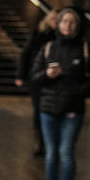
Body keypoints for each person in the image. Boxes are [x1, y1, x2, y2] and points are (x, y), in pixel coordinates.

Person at [30, 7, 90, 180]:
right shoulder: (48, 48)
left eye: (72, 22)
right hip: (48, 108)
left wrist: (80, 90)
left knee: (65, 152)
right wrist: (47, 75)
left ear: (77, 26)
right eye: (64, 21)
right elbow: (34, 77)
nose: (68, 25)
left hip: (72, 109)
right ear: (58, 24)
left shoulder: (87, 49)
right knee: (51, 153)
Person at [17, 10, 58, 156]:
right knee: (38, 109)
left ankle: (50, 140)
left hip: (56, 79)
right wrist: (21, 75)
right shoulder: (39, 34)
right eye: (54, 19)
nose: (56, 22)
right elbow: (26, 54)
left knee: (53, 109)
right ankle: (39, 141)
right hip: (38, 76)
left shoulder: (63, 38)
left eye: (58, 19)